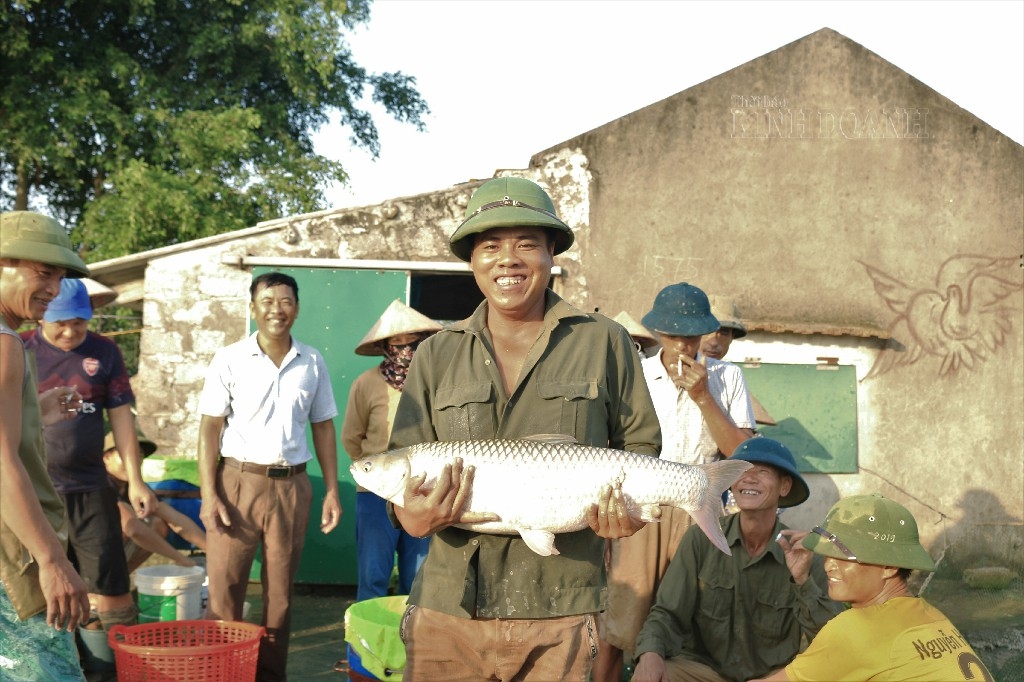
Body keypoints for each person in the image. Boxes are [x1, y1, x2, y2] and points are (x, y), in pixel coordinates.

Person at [387, 176, 662, 681]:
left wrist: (627, 513)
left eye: (526, 244)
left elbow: (640, 445)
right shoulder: (435, 354)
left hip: (562, 608)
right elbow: (401, 463)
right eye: (490, 246)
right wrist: (410, 517)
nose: (507, 260)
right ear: (472, 260)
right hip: (448, 609)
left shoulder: (605, 341)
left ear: (552, 253)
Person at [596, 282, 757, 681]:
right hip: (640, 505)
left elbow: (741, 453)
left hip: (701, 505)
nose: (683, 345)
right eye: (673, 335)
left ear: (706, 332)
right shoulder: (635, 373)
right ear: (658, 331)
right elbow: (611, 445)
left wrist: (703, 395)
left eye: (692, 335)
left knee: (692, 620)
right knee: (621, 618)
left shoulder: (727, 377)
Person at [197, 271, 341, 681]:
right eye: (268, 301)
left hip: (292, 487)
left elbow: (323, 427)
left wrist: (332, 490)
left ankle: (270, 675)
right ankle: (222, 674)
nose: (277, 310)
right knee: (225, 589)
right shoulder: (229, 359)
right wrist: (209, 494)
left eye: (285, 301)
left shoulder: (311, 361)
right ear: (252, 308)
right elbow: (209, 430)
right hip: (237, 483)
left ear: (297, 308)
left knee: (280, 595)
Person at [631, 438, 844, 682]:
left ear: (784, 486)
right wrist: (650, 654)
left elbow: (831, 639)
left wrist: (802, 581)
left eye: (762, 472)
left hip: (770, 678)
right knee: (655, 672)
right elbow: (667, 613)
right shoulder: (701, 539)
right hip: (704, 672)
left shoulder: (803, 555)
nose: (749, 478)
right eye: (741, 471)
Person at [21, 276, 159, 633]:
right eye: (61, 323)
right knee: (40, 588)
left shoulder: (104, 352)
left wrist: (136, 481)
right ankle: (62, 655)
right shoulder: (20, 349)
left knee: (110, 585)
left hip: (90, 487)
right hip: (36, 490)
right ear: (42, 316)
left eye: (79, 323)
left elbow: (122, 419)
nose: (70, 332)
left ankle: (112, 655)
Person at [752, 494, 994, 682]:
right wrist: (803, 579)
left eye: (844, 557)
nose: (828, 566)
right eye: (828, 554)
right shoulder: (930, 615)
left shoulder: (858, 629)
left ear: (889, 566)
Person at [0, 210, 91, 680]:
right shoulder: (5, 345)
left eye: (59, 276)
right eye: (43, 272)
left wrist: (33, 410)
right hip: (10, 560)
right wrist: (52, 561)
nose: (54, 289)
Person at [342, 299, 442, 602]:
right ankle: (367, 635)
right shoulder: (365, 384)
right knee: (373, 574)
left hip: (423, 490)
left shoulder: (436, 382)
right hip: (374, 494)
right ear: (385, 346)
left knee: (418, 576)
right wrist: (377, 472)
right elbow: (351, 438)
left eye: (412, 340)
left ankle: (413, 634)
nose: (406, 348)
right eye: (397, 342)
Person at [101, 432, 207, 574]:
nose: (134, 461)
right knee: (131, 527)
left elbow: (175, 519)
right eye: (126, 454)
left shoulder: (135, 486)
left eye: (139, 455)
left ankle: (119, 579)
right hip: (87, 552)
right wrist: (179, 558)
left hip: (107, 551)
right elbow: (132, 528)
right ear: (106, 457)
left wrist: (212, 551)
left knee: (156, 524)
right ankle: (106, 582)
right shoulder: (100, 484)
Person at [700, 295, 775, 426]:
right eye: (707, 331)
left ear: (732, 338)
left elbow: (744, 432)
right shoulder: (668, 370)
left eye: (724, 333)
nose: (714, 342)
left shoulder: (732, 376)